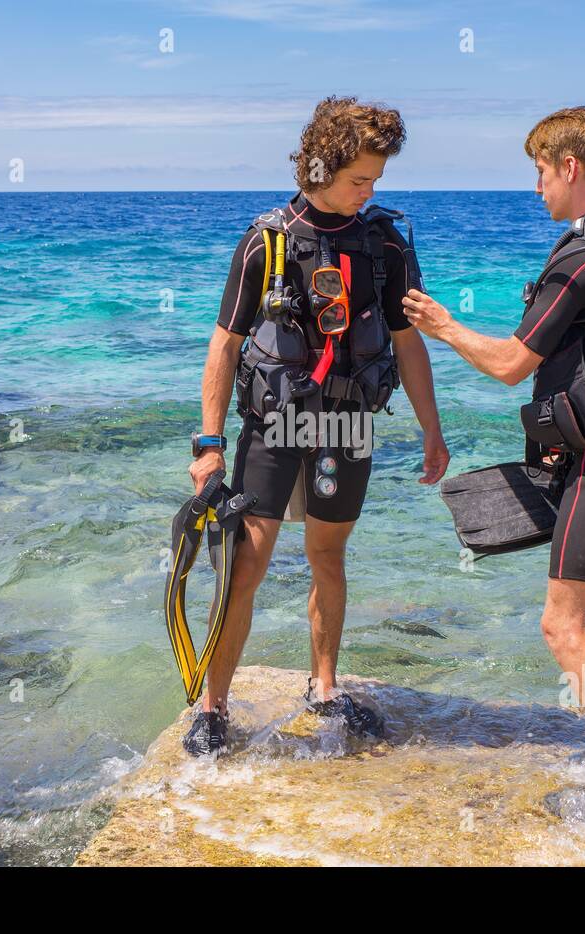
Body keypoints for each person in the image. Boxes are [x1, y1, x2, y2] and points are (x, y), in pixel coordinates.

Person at [402, 106, 585, 826]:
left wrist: (443, 325)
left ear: (570, 168)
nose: (536, 188)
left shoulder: (581, 257)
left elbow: (510, 363)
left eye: (539, 171)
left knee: (563, 626)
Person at [184, 96, 450, 756]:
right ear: (320, 166)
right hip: (272, 426)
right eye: (360, 178)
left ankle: (324, 685)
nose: (368, 192)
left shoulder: (383, 242)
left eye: (376, 182)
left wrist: (431, 429)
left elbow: (407, 342)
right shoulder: (267, 239)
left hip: (348, 428)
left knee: (328, 556)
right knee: (244, 564)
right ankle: (212, 704)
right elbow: (224, 343)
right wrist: (209, 444)